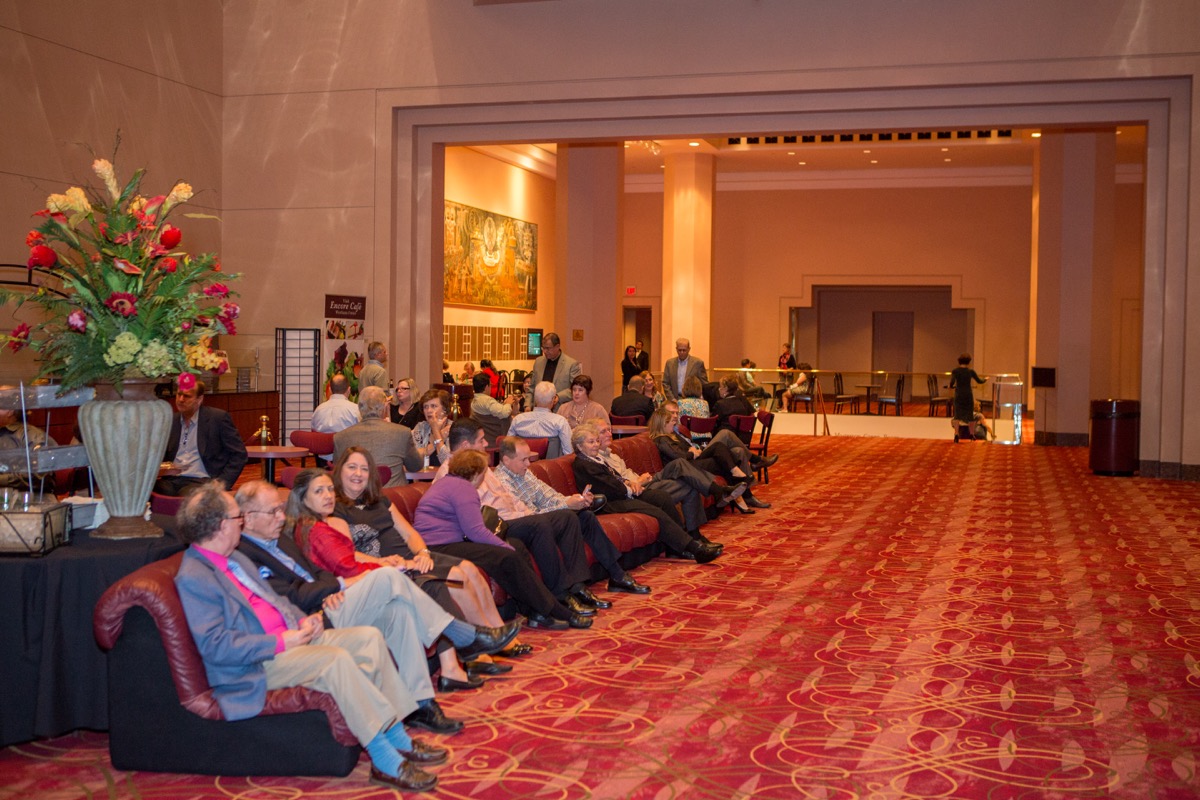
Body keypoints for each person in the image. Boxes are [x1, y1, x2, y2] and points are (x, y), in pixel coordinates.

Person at [173, 480, 449, 793]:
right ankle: (385, 758)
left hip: (290, 641)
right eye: (238, 518)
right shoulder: (194, 576)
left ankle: (398, 735)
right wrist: (281, 642)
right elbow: (216, 647)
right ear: (222, 526)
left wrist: (306, 623)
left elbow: (277, 603)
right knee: (336, 661)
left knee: (368, 638)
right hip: (255, 665)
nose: (241, 524)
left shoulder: (235, 559)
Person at [234, 479, 494, 729]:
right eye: (272, 512)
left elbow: (317, 572)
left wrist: (330, 586)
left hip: (329, 601)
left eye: (280, 509)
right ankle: (461, 633)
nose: (281, 516)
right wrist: (335, 587)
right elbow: (291, 596)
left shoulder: (279, 538)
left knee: (399, 611)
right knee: (388, 576)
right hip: (310, 620)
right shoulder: (244, 554)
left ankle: (421, 703)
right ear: (247, 517)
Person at [286, 467, 518, 692]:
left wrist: (407, 559)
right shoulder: (315, 529)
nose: (327, 496)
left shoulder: (325, 523)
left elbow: (335, 565)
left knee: (427, 587)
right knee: (397, 576)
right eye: (319, 491)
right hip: (337, 600)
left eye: (329, 490)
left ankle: (429, 692)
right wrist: (388, 564)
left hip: (352, 586)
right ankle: (469, 638)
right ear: (303, 498)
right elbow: (345, 567)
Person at [435, 419, 602, 620]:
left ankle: (576, 586)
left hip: (513, 517)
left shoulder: (481, 466)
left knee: (566, 517)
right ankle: (559, 594)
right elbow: (476, 517)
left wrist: (527, 512)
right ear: (464, 446)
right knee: (538, 525)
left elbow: (508, 498)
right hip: (497, 525)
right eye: (481, 441)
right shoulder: (453, 471)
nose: (486, 444)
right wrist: (528, 517)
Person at [416, 447, 590, 630]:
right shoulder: (463, 489)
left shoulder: (449, 483)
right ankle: (555, 610)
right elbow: (476, 532)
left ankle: (534, 611)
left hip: (446, 544)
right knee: (508, 554)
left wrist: (508, 546)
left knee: (516, 545)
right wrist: (503, 546)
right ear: (476, 473)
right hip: (439, 547)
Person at [494, 435, 650, 596]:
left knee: (586, 516)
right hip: (533, 529)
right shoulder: (500, 482)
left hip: (546, 521)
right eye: (524, 460)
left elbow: (550, 496)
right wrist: (566, 506)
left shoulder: (525, 473)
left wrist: (575, 500)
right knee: (570, 518)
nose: (528, 464)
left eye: (529, 459)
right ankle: (577, 587)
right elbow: (529, 517)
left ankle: (617, 575)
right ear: (506, 460)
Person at [570, 423, 723, 564]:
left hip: (622, 493)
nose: (596, 444)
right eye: (591, 442)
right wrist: (629, 488)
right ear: (579, 446)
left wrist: (630, 483)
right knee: (654, 512)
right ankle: (695, 549)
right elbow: (609, 487)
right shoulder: (584, 464)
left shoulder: (595, 458)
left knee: (661, 497)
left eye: (597, 441)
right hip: (608, 503)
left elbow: (615, 479)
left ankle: (675, 548)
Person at [592, 418, 740, 539]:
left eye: (609, 430)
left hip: (646, 479)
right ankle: (715, 497)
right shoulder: (597, 461)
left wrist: (641, 477)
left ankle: (697, 529)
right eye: (603, 431)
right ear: (593, 437)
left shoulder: (613, 455)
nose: (609, 434)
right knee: (686, 474)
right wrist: (638, 481)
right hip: (640, 489)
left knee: (683, 470)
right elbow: (619, 484)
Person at [650, 404, 772, 511]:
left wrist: (695, 450)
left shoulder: (674, 434)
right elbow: (679, 456)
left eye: (676, 413)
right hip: (687, 466)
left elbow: (686, 448)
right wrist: (692, 452)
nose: (675, 419)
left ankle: (744, 491)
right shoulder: (662, 439)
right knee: (722, 445)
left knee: (737, 451)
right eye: (671, 417)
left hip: (694, 457)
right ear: (663, 423)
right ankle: (746, 474)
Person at [157, 379, 248, 495]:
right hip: (172, 479)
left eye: (187, 396)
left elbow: (239, 454)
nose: (180, 400)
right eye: (179, 394)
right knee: (148, 492)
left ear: (199, 399)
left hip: (202, 480)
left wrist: (223, 483)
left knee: (187, 495)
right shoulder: (171, 421)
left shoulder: (217, 419)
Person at [334, 386, 418, 487]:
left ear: (359, 408)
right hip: (394, 495)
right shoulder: (402, 432)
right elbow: (415, 466)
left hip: (357, 495)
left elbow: (338, 473)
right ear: (384, 407)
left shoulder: (340, 437)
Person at [0, 408, 57, 493]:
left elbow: (38, 475)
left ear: (10, 411)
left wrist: (2, 480)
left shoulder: (31, 434)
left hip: (32, 500)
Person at [509, 381, 574, 456]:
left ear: (535, 398)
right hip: (550, 466)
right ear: (553, 399)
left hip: (521, 465)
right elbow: (569, 452)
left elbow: (508, 449)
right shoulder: (560, 421)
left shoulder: (518, 419)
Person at [530, 332, 582, 405]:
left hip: (560, 408)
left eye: (548, 348)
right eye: (543, 348)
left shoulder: (571, 364)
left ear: (557, 346)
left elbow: (576, 389)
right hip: (539, 409)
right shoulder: (538, 362)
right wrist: (527, 405)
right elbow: (532, 387)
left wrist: (558, 396)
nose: (545, 351)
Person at [469, 372, 520, 446]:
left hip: (488, 438)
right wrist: (508, 403)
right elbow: (504, 413)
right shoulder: (486, 400)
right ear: (486, 387)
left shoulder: (475, 400)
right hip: (496, 439)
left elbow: (507, 411)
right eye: (491, 385)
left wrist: (512, 403)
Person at [411, 389, 453, 468]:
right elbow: (413, 458)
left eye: (433, 406)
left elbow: (448, 462)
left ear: (445, 409)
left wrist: (436, 432)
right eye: (425, 407)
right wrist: (439, 439)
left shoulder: (454, 429)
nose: (429, 410)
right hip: (423, 477)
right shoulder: (421, 427)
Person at [950, 353, 987, 428]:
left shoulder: (955, 371)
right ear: (968, 362)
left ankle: (956, 434)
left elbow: (952, 382)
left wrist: (951, 386)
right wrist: (985, 379)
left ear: (959, 361)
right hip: (968, 394)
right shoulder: (970, 372)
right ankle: (971, 434)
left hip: (959, 394)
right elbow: (979, 381)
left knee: (957, 415)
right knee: (970, 415)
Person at [676, 376, 712, 442]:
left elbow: (679, 423)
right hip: (705, 437)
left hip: (687, 437)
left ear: (684, 388)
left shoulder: (680, 403)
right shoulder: (705, 403)